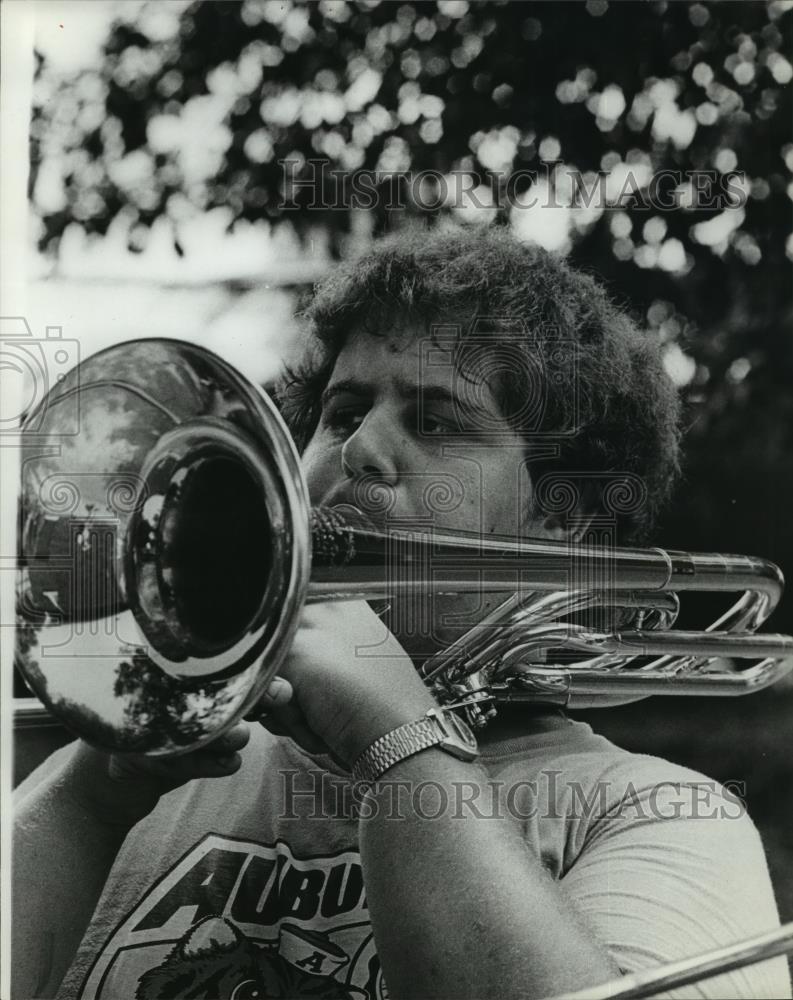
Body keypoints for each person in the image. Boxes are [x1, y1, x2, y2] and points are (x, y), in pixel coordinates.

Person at [13, 227, 791, 1000]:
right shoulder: (137, 778)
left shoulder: (656, 816)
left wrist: (399, 741)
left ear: (561, 513)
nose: (358, 451)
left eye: (436, 422)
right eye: (343, 413)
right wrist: (95, 792)